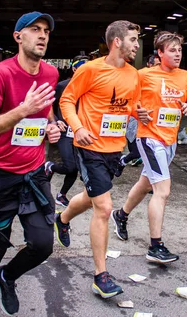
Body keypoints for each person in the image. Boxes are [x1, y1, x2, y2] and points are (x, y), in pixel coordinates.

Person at [0, 11, 61, 317]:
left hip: (33, 174)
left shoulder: (50, 74)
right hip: (0, 176)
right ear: (18, 37)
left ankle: (7, 277)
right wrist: (22, 110)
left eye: (46, 30)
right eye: (35, 29)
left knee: (43, 244)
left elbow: (45, 112)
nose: (43, 35)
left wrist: (52, 126)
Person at [55, 20, 141, 299]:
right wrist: (78, 128)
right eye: (133, 40)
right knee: (104, 207)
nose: (137, 45)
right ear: (117, 41)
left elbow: (132, 107)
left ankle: (63, 218)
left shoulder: (133, 74)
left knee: (92, 196)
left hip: (114, 148)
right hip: (89, 145)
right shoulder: (91, 69)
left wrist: (141, 116)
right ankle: (100, 275)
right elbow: (66, 100)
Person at [111, 31, 187, 263]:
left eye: (179, 50)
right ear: (160, 54)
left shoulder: (186, 77)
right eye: (172, 50)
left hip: (170, 140)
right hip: (149, 137)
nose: (177, 54)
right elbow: (122, 98)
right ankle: (155, 246)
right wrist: (135, 112)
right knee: (162, 191)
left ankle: (120, 215)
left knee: (145, 183)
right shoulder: (143, 75)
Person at [45, 55, 89, 207]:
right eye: (82, 66)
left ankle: (61, 195)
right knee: (70, 166)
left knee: (75, 169)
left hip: (80, 131)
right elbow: (49, 105)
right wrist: (55, 120)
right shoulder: (62, 85)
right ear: (74, 68)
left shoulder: (91, 86)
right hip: (65, 131)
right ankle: (50, 166)